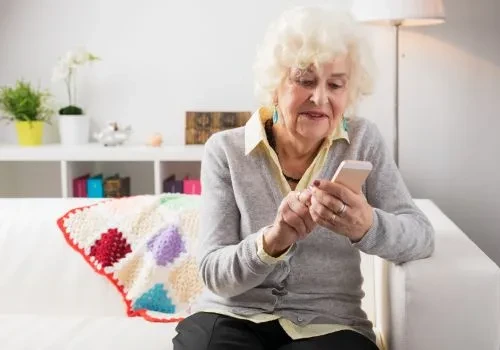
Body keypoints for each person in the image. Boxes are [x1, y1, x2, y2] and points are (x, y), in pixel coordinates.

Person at [173, 5, 434, 350]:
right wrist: (272, 241)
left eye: (336, 84)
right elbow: (212, 272)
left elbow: (421, 235)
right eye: (304, 80)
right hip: (232, 316)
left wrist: (366, 225)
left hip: (331, 325)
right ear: (274, 85)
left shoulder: (362, 140)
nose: (320, 98)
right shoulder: (225, 150)